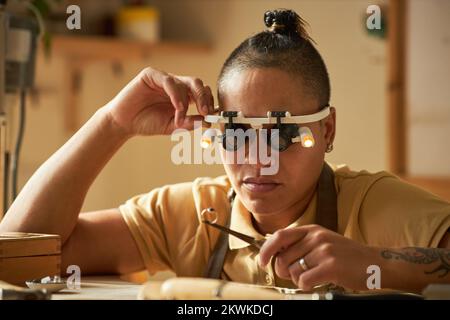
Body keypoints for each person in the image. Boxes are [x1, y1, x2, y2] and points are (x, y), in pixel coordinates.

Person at [0, 9, 449, 293]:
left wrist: (376, 263)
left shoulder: (372, 207)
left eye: (281, 134)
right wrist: (111, 123)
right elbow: (21, 254)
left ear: (327, 130)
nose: (256, 157)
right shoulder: (196, 213)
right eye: (235, 133)